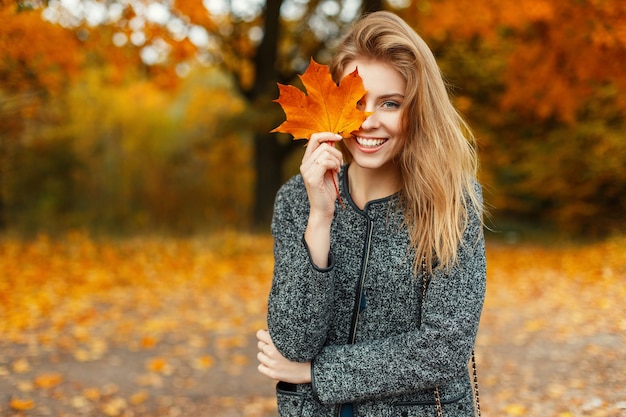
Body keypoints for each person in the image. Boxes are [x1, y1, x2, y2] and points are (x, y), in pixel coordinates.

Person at [256, 10, 486, 417]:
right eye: (358, 103)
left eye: (391, 103)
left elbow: (444, 347)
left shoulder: (453, 203)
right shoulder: (296, 199)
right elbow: (291, 342)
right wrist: (320, 219)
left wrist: (316, 372)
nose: (370, 121)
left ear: (416, 110)